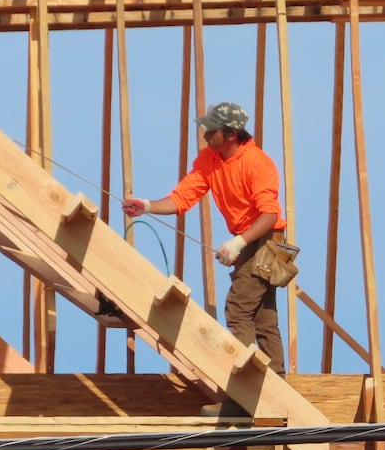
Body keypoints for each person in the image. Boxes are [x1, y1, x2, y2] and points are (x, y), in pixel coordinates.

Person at [123, 101, 288, 377]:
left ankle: (247, 388)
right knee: (262, 315)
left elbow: (269, 216)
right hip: (249, 240)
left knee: (238, 310)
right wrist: (147, 206)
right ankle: (278, 384)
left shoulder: (257, 163)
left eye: (212, 131)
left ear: (232, 134)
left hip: (266, 240)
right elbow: (181, 198)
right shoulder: (209, 160)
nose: (206, 136)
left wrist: (238, 243)